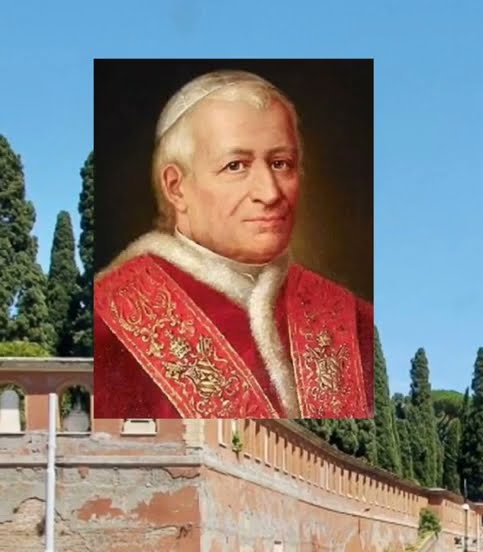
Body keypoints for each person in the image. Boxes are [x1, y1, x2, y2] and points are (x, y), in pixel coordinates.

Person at [94, 69, 374, 419]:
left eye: (281, 164)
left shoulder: (356, 320)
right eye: (235, 166)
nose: (270, 193)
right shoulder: (105, 325)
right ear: (176, 188)